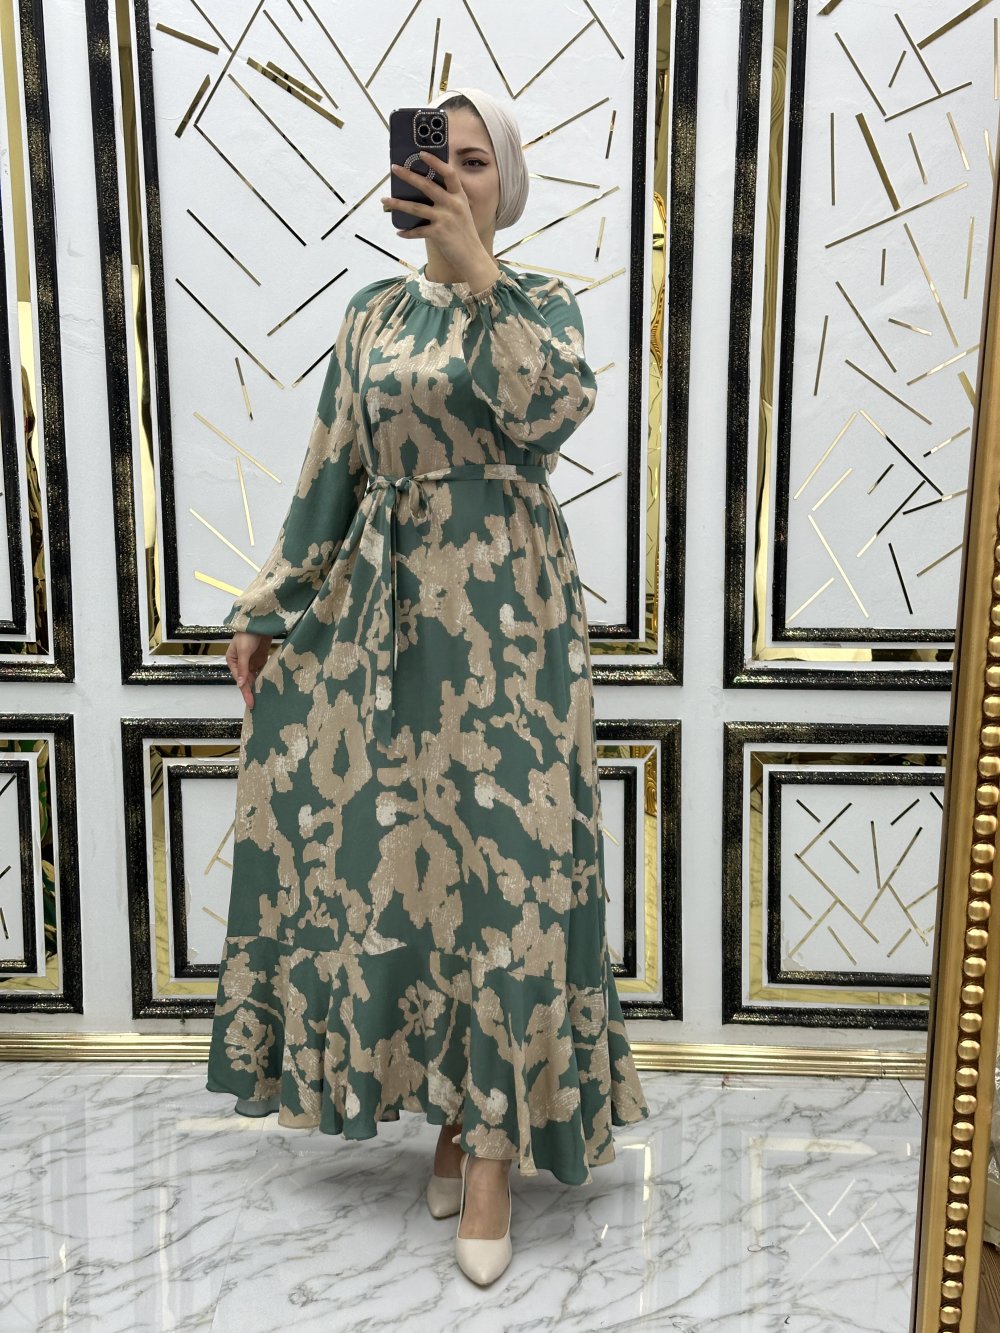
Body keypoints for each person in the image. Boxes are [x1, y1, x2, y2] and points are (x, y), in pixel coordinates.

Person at [206, 86, 650, 1286]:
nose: (450, 176)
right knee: (408, 867)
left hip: (510, 622)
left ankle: (494, 1148)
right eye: (431, 158)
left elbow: (549, 415)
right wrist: (268, 606)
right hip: (378, 624)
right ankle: (451, 1112)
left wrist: (480, 274)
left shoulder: (541, 303)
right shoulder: (370, 314)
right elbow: (331, 470)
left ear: (505, 181)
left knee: (508, 873)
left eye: (473, 160)